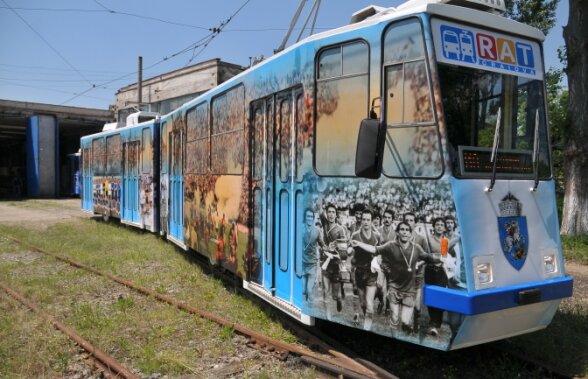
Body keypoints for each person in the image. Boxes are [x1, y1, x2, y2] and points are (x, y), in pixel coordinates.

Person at [352, 222, 439, 333]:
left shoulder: (416, 248)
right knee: (394, 318)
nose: (404, 232)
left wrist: (441, 259)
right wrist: (359, 243)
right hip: (394, 288)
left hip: (409, 290)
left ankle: (407, 326)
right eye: (402, 229)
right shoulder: (391, 246)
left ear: (410, 233)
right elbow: (374, 249)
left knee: (405, 321)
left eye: (407, 230)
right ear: (397, 232)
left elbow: (428, 257)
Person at [348, 209, 380, 330]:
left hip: (371, 272)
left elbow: (380, 252)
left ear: (372, 221)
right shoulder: (355, 235)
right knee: (363, 304)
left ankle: (367, 330)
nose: (366, 222)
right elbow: (350, 250)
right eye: (364, 219)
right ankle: (365, 314)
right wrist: (347, 251)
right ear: (361, 220)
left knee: (370, 306)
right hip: (359, 272)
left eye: (368, 220)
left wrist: (377, 261)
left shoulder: (376, 236)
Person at [425, 217, 455, 337]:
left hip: (441, 272)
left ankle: (435, 324)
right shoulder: (428, 239)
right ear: (433, 226)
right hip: (430, 271)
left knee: (439, 297)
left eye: (441, 225)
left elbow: (444, 257)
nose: (439, 226)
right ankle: (433, 321)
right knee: (431, 297)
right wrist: (436, 257)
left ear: (444, 227)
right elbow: (427, 255)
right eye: (437, 224)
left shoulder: (445, 241)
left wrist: (438, 258)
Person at [320, 203, 348, 315]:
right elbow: (319, 208)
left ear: (336, 214)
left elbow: (344, 253)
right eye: (329, 212)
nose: (331, 214)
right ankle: (328, 317)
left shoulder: (340, 230)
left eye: (333, 212)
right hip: (325, 263)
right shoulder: (325, 224)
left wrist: (336, 253)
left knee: (335, 296)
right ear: (327, 214)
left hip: (336, 265)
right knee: (325, 292)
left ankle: (339, 299)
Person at [404, 212, 429, 329]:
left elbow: (427, 257)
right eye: (406, 220)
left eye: (411, 220)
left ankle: (416, 319)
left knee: (417, 305)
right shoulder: (400, 238)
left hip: (418, 275)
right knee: (407, 300)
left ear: (415, 223)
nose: (409, 222)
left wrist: (417, 264)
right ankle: (408, 324)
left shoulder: (421, 239)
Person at [302, 208, 326, 302]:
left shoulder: (317, 231)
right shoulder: (300, 229)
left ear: (313, 218)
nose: (309, 218)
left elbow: (322, 244)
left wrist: (328, 248)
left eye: (311, 217)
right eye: (308, 216)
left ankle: (311, 310)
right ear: (305, 217)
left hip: (312, 264)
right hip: (302, 264)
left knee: (309, 290)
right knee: (303, 291)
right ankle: (307, 293)